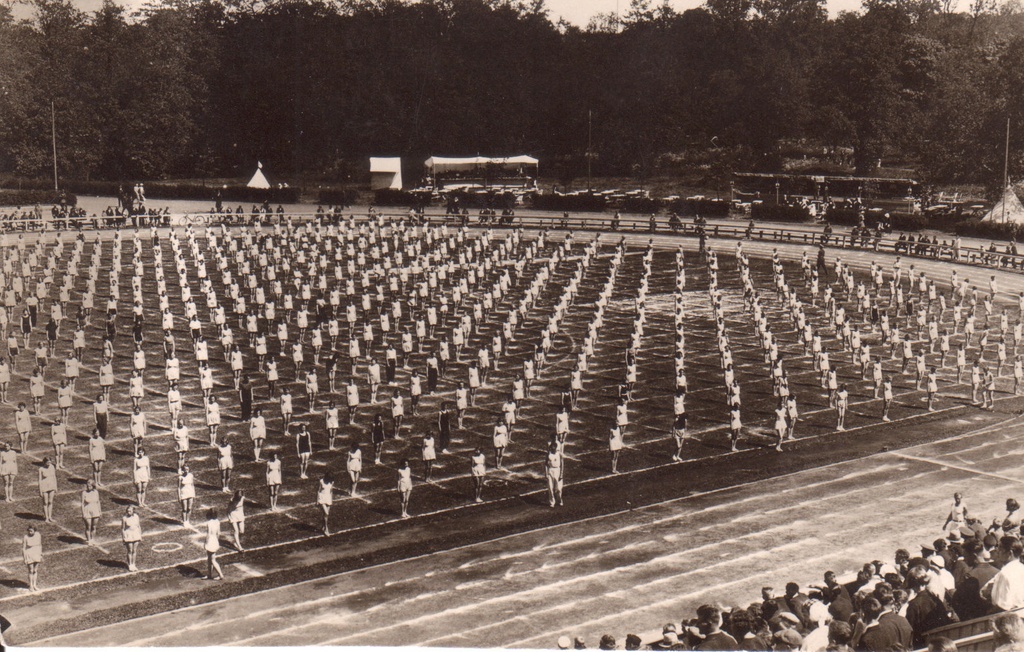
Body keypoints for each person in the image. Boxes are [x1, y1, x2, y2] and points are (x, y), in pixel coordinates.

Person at [204, 509, 224, 580]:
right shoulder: (217, 521)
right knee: (210, 559)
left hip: (210, 541)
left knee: (212, 560)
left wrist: (206, 542)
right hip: (215, 540)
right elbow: (219, 533)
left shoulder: (209, 523)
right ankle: (209, 574)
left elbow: (208, 534)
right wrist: (217, 540)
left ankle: (220, 574)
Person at [121, 505, 141, 572]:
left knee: (134, 551)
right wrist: (123, 537)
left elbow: (139, 526)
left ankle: (134, 564)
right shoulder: (124, 518)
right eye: (127, 511)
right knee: (130, 550)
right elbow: (123, 529)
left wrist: (140, 535)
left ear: (133, 511)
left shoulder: (136, 516)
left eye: (130, 511)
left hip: (136, 534)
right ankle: (130, 565)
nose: (128, 512)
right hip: (128, 535)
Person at [81, 479, 101, 545]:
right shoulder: (84, 493)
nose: (88, 487)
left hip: (95, 510)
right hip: (87, 511)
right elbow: (82, 504)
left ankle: (92, 539)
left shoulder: (96, 492)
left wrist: (100, 511)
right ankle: (89, 540)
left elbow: (98, 502)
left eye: (90, 486)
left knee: (94, 526)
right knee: (88, 527)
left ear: (93, 486)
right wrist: (83, 513)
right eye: (87, 486)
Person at [38, 456, 56, 522]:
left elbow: (54, 477)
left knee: (50, 502)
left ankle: (50, 517)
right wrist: (40, 490)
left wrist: (55, 487)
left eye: (50, 462)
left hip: (52, 485)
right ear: (44, 462)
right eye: (48, 462)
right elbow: (39, 480)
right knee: (45, 502)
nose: (49, 464)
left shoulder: (52, 467)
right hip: (44, 486)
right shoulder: (41, 469)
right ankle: (46, 517)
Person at [23, 525, 41, 591]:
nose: (30, 532)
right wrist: (24, 558)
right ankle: (31, 586)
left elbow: (40, 544)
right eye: (29, 531)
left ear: (34, 531)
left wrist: (40, 554)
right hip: (29, 554)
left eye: (31, 531)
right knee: (31, 570)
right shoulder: (25, 537)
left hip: (36, 553)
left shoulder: (38, 535)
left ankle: (35, 585)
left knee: (35, 570)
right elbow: (24, 548)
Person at [546, 443, 563, 507]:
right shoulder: (549, 454)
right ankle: (552, 502)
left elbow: (562, 464)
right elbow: (546, 464)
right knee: (550, 487)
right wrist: (546, 473)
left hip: (557, 470)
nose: (553, 449)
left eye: (554, 448)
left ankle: (559, 500)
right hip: (550, 470)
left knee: (558, 488)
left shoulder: (559, 454)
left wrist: (561, 474)